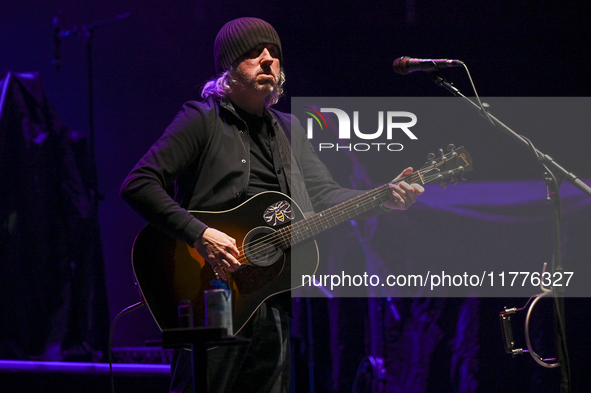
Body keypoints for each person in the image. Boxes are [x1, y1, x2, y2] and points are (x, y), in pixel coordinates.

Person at [120, 17, 424, 393]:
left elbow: (326, 196)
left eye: (274, 54)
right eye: (253, 52)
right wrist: (200, 234)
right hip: (210, 293)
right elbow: (138, 184)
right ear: (229, 65)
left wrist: (383, 197)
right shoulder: (201, 119)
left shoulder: (290, 129)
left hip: (272, 297)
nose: (268, 59)